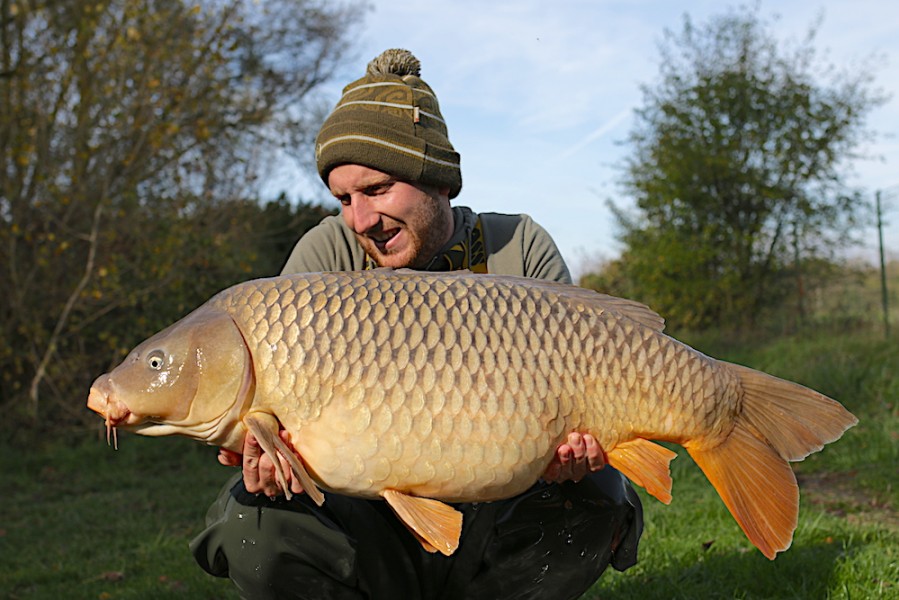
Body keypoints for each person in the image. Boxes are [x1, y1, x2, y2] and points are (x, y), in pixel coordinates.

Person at [190, 48, 643, 600]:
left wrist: (577, 453)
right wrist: (272, 465)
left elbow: (591, 393)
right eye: (344, 199)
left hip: (499, 507)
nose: (361, 220)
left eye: (378, 190)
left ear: (436, 180)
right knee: (253, 521)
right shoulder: (324, 254)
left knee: (599, 487)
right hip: (368, 517)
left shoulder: (517, 247)